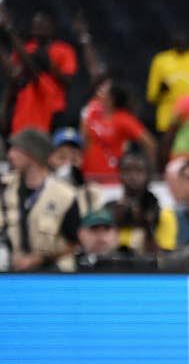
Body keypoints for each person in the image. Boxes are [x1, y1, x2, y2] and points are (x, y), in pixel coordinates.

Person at [0, 128, 81, 271]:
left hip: (51, 274)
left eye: (16, 149)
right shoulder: (4, 188)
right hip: (8, 273)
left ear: (32, 154)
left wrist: (40, 259)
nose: (10, 155)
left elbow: (75, 243)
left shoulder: (65, 195)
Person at [3, 11, 77, 135]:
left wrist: (10, 30)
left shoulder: (63, 49)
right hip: (24, 114)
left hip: (52, 111)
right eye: (35, 23)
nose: (38, 25)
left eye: (42, 22)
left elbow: (68, 80)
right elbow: (14, 75)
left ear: (52, 27)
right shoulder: (27, 48)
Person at [80, 78, 156, 182]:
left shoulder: (123, 119)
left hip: (112, 177)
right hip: (89, 175)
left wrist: (150, 173)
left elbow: (150, 144)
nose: (99, 92)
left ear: (111, 99)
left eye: (103, 91)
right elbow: (84, 140)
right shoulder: (93, 113)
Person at [147, 31, 189, 138]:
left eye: (183, 39)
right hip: (167, 120)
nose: (180, 42)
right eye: (177, 40)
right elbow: (151, 96)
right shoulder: (161, 61)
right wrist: (161, 90)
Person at [108, 149, 164, 254]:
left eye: (139, 170)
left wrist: (144, 221)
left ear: (148, 174)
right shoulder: (109, 208)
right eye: (127, 170)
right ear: (119, 174)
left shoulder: (158, 211)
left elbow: (160, 252)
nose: (132, 176)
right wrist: (115, 218)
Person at [48, 127, 107, 216]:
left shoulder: (93, 193)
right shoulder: (40, 190)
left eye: (74, 159)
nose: (68, 164)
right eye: (62, 157)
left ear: (82, 159)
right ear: (50, 159)